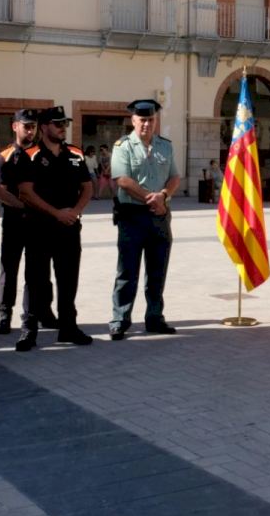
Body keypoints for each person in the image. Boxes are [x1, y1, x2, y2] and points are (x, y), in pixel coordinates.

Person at [16, 105, 94, 351]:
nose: (63, 128)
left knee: (68, 279)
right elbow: (25, 192)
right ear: (44, 127)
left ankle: (68, 327)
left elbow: (87, 187)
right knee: (36, 280)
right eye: (58, 124)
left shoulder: (75, 154)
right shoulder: (29, 155)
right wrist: (56, 213)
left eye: (65, 123)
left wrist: (75, 211)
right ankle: (29, 330)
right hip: (39, 228)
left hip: (68, 228)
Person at [109, 99, 181, 341]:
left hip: (160, 216)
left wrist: (163, 196)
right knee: (127, 271)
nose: (147, 124)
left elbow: (174, 177)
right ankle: (120, 319)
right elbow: (122, 180)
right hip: (132, 216)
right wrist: (152, 199)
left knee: (157, 271)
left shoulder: (165, 146)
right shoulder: (123, 146)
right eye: (142, 120)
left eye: (151, 120)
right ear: (133, 120)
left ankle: (154, 317)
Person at [0, 108, 39, 335]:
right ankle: (5, 314)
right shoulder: (5, 156)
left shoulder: (41, 154)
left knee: (36, 271)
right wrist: (23, 205)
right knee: (9, 269)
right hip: (14, 220)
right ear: (15, 126)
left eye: (33, 127)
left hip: (39, 221)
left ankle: (33, 315)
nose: (30, 131)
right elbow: (0, 191)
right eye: (26, 126)